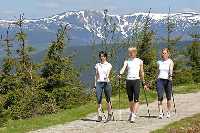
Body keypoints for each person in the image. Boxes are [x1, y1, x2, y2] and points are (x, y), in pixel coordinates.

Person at [118, 47, 147, 123]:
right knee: (130, 100)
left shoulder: (140, 61)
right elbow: (123, 68)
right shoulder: (127, 61)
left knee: (136, 99)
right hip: (128, 81)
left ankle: (133, 115)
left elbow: (141, 72)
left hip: (136, 81)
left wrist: (143, 82)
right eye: (129, 52)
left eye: (132, 52)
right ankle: (132, 112)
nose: (130, 54)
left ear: (135, 53)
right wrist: (120, 74)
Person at [94, 51, 113, 122]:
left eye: (103, 56)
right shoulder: (97, 65)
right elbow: (96, 75)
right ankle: (99, 116)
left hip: (106, 83)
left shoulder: (109, 65)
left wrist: (106, 77)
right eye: (100, 56)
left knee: (108, 99)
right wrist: (95, 84)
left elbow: (108, 72)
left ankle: (110, 114)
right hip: (99, 83)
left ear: (105, 57)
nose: (101, 58)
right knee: (98, 99)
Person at [156, 48, 174, 119]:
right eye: (162, 53)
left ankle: (168, 112)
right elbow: (157, 71)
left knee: (168, 97)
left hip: (168, 80)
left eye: (165, 53)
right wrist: (156, 78)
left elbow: (171, 69)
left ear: (168, 54)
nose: (163, 54)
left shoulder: (170, 61)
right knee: (160, 96)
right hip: (160, 80)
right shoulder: (159, 62)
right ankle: (160, 113)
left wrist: (170, 76)